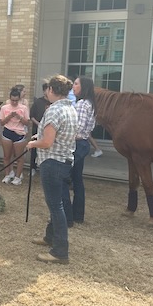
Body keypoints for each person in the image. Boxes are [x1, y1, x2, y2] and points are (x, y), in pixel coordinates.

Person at [26, 74, 77, 264]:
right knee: (56, 203)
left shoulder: (54, 111)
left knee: (56, 206)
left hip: (52, 162)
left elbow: (47, 142)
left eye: (47, 88)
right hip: (64, 160)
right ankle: (50, 237)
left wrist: (33, 145)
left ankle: (60, 252)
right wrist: (37, 139)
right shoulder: (70, 108)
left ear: (51, 90)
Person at [63, 76, 97, 225]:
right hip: (81, 144)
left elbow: (79, 128)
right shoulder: (88, 103)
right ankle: (77, 215)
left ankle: (68, 215)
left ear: (84, 87)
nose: (73, 87)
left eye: (76, 84)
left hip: (78, 145)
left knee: (65, 178)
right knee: (77, 180)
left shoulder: (83, 104)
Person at [0, 87, 31, 185]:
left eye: (16, 101)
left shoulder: (24, 108)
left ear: (19, 99)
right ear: (10, 99)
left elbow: (27, 122)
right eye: (12, 100)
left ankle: (18, 177)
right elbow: (2, 122)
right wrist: (9, 116)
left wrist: (19, 117)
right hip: (7, 132)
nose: (14, 103)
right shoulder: (4, 108)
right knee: (7, 156)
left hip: (19, 133)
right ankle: (7, 174)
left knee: (19, 157)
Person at [29, 82, 51, 174]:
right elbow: (32, 116)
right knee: (34, 148)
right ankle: (32, 167)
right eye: (47, 89)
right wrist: (39, 124)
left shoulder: (53, 102)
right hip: (37, 129)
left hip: (49, 130)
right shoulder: (38, 102)